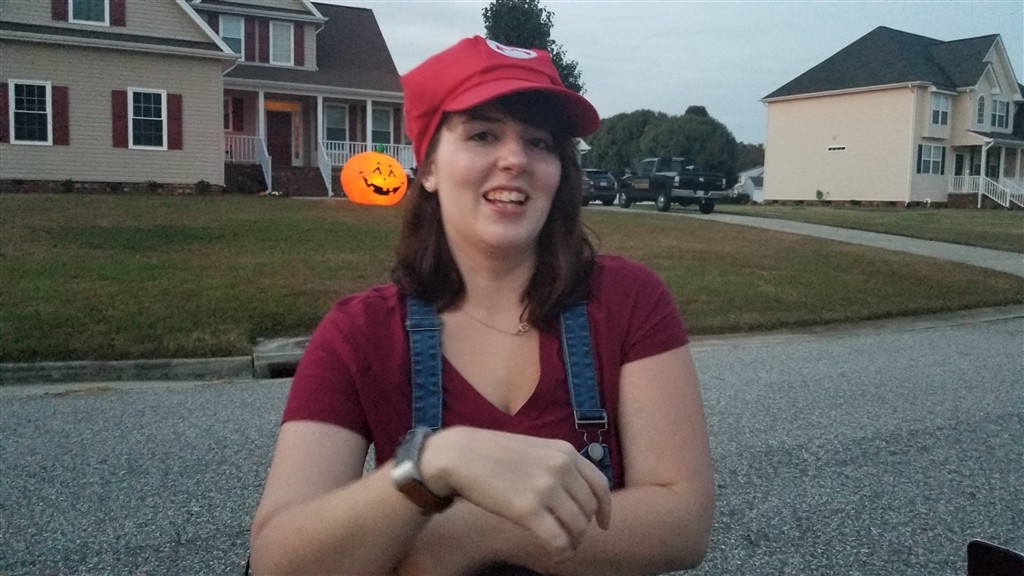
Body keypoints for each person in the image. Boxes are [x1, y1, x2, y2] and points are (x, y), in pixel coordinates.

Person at [249, 36, 714, 575]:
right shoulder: (359, 333)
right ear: (428, 167)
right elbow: (276, 560)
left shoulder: (628, 301)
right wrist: (434, 465)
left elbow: (683, 522)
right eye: (483, 134)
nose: (515, 159)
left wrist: (472, 532)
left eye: (539, 142)